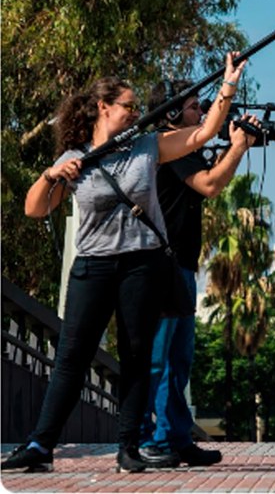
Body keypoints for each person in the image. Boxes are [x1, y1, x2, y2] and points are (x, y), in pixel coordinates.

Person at [1, 52, 245, 474]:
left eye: (136, 107)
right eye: (129, 106)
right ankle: (41, 445)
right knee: (72, 358)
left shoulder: (147, 147)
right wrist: (49, 177)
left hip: (141, 266)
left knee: (136, 357)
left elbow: (202, 133)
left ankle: (128, 447)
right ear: (103, 108)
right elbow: (35, 210)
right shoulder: (74, 160)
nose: (136, 113)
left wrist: (228, 85)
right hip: (93, 267)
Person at [137, 80, 257, 468]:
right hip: (160, 265)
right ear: (171, 114)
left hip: (182, 266)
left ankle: (175, 437)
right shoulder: (167, 145)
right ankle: (143, 439)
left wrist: (234, 144)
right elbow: (209, 185)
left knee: (178, 359)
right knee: (155, 359)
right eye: (193, 108)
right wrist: (237, 147)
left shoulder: (184, 149)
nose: (201, 115)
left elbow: (210, 174)